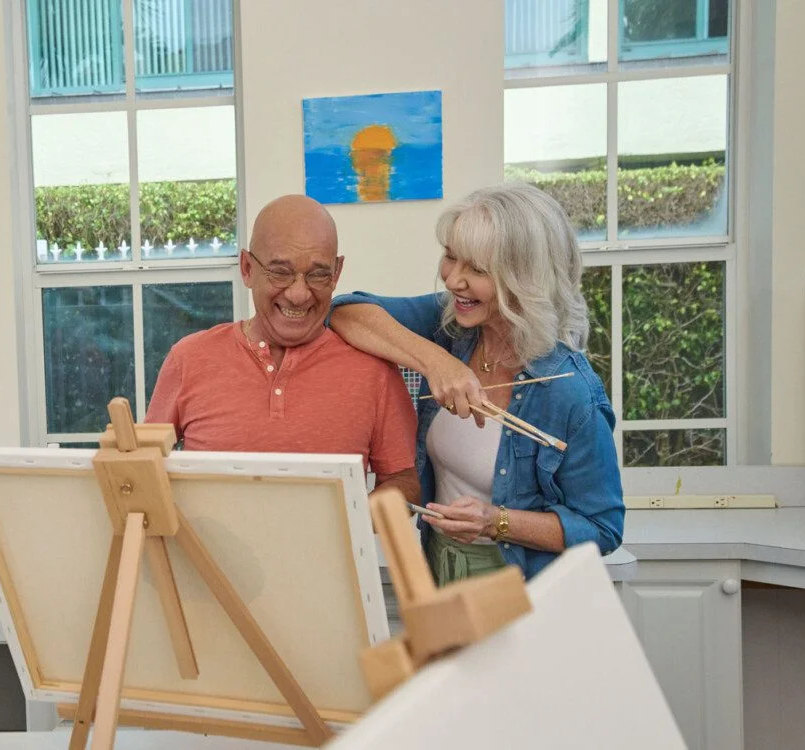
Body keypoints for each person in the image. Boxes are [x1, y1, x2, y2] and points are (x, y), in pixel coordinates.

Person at [329, 183, 623, 583]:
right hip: (437, 567)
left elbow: (603, 528)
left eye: (477, 270)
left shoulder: (570, 391)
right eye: (451, 257)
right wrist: (438, 363)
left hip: (520, 582)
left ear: (525, 278)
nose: (453, 280)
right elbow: (346, 313)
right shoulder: (451, 327)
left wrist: (495, 521)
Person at [146, 194, 420, 503]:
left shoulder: (375, 370)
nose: (299, 294)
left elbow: (403, 480)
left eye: (318, 275)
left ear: (337, 273)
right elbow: (145, 470)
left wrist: (351, 519)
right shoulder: (189, 358)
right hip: (206, 553)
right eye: (280, 272)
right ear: (247, 268)